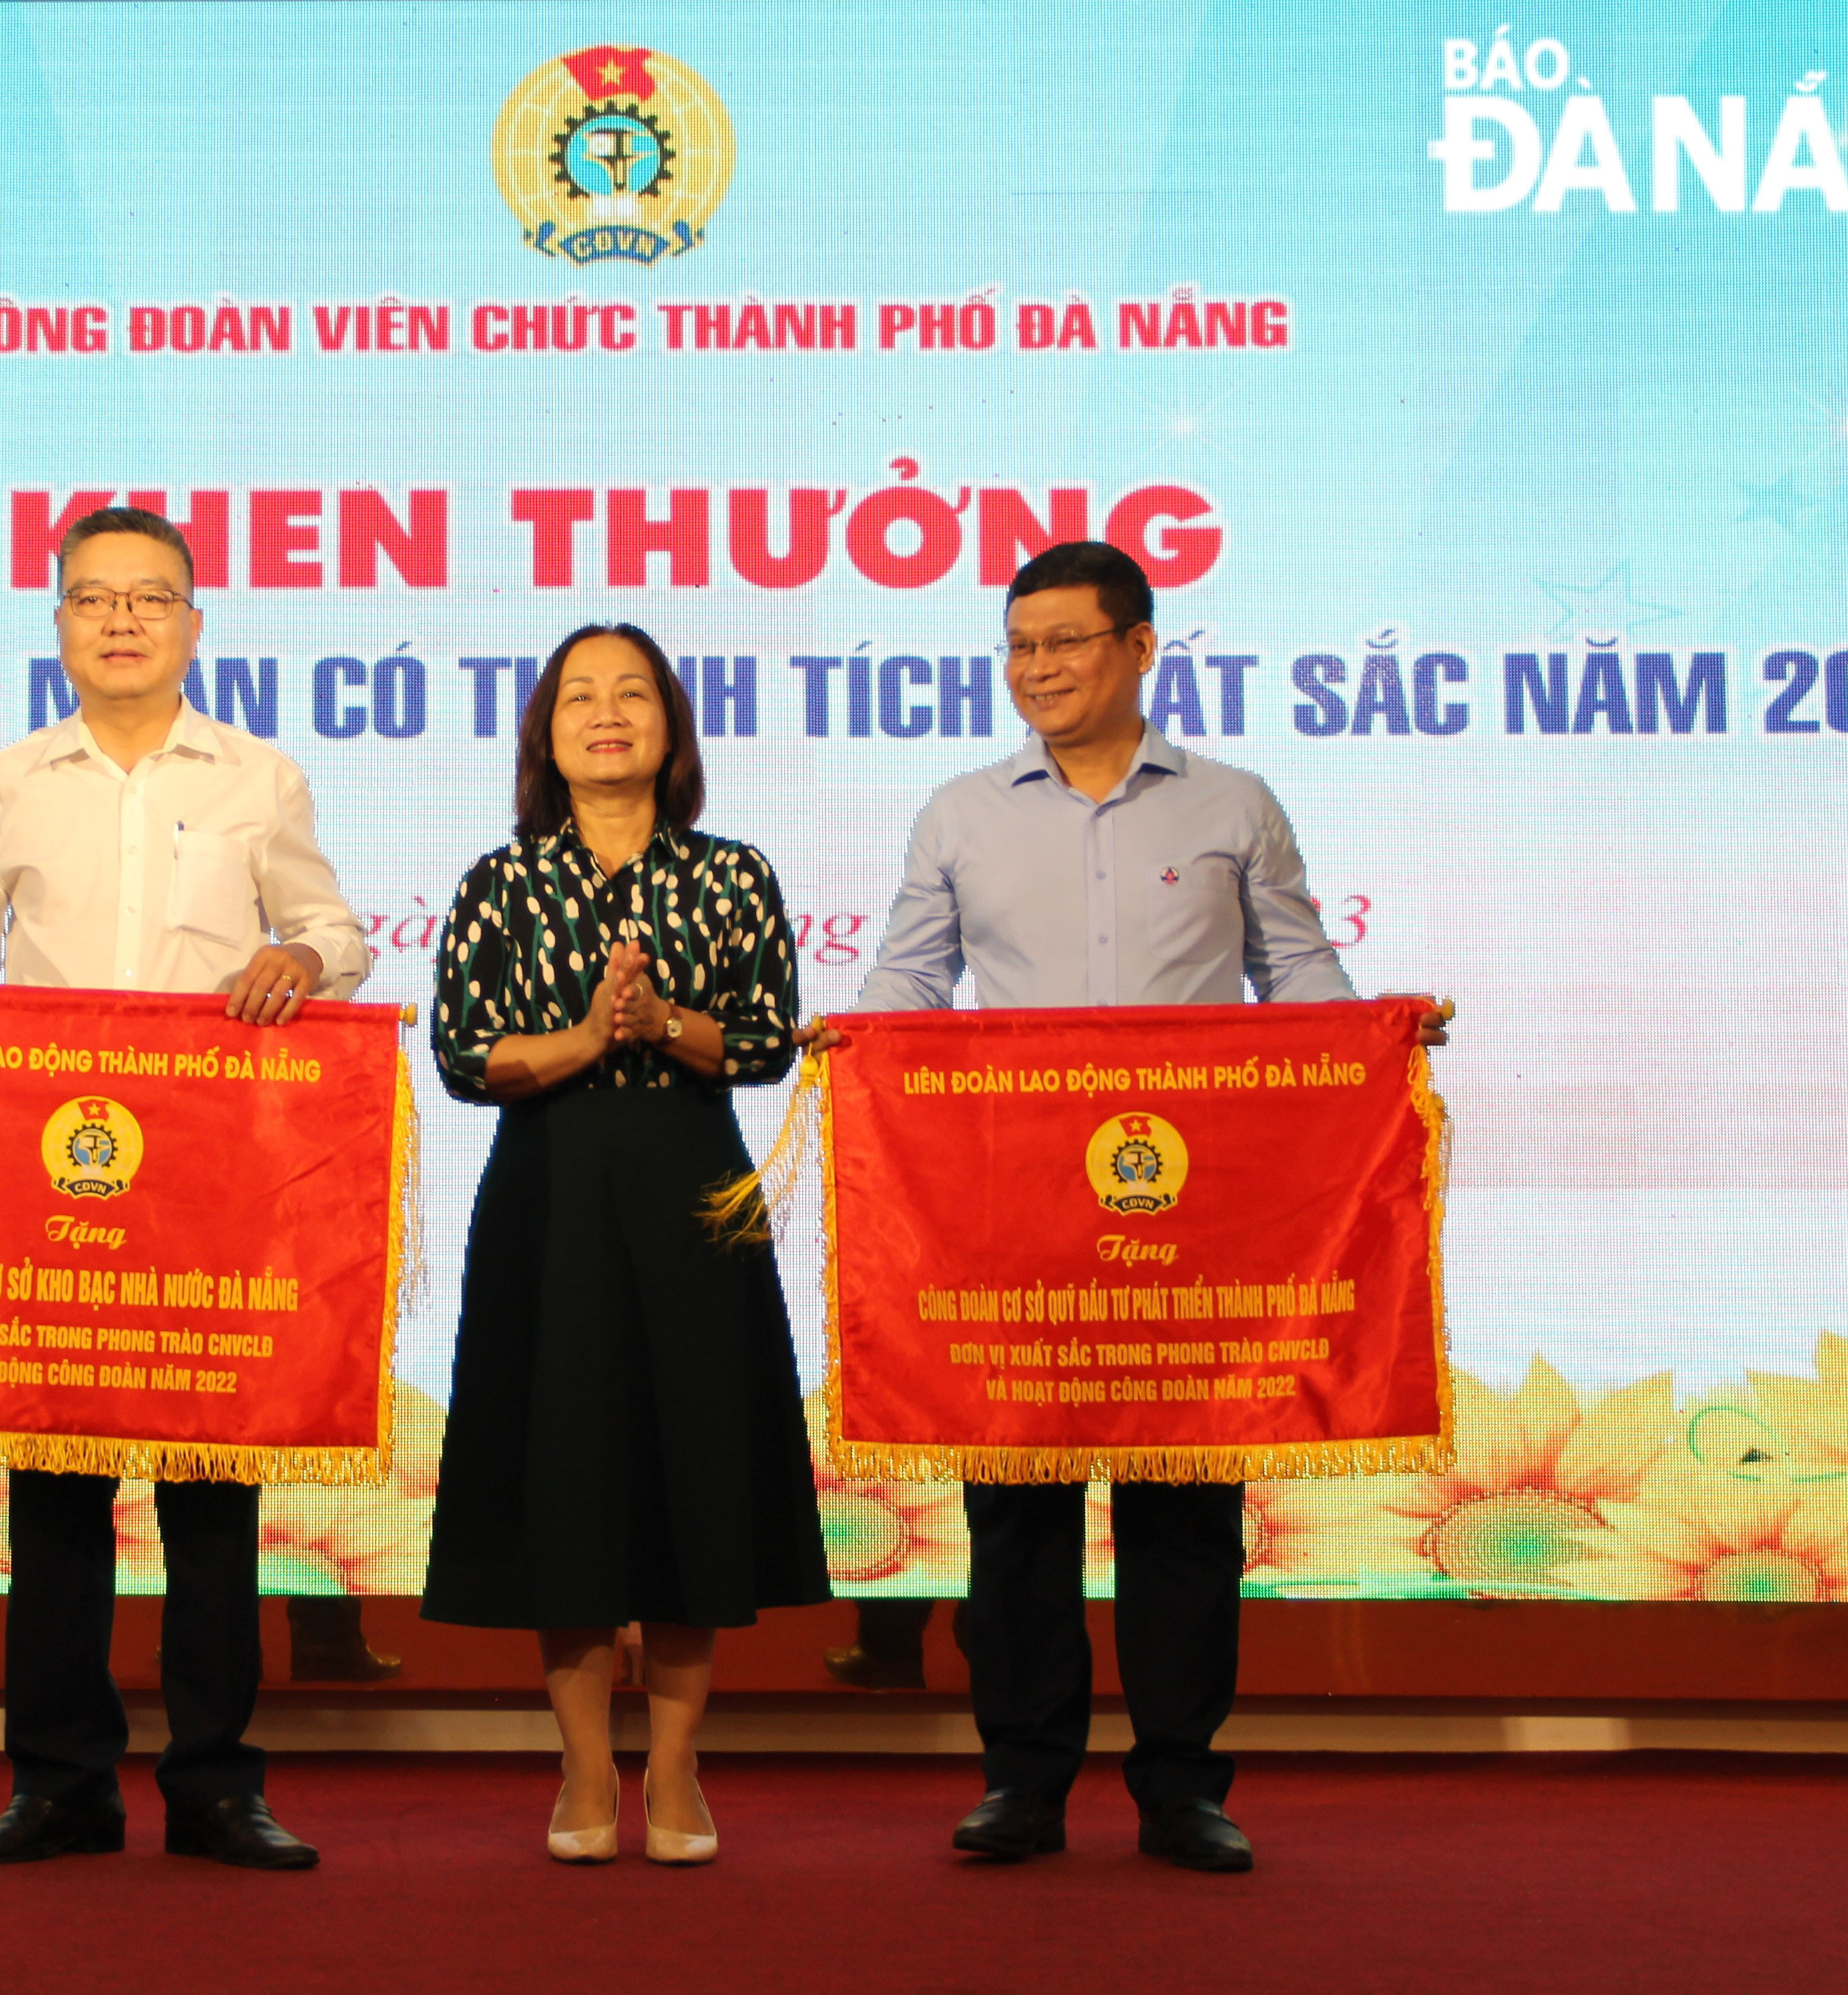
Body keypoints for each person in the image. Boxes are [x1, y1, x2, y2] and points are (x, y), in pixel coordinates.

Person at [818, 541, 1447, 1874]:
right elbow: (908, 984)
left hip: (1187, 1227)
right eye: (1020, 646)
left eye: (1067, 643)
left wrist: (1383, 1039)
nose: (1037, 670)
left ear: (1142, 647)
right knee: (1019, 1520)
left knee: (1182, 1519)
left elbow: (1300, 975)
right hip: (1017, 1226)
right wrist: (854, 1045)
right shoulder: (960, 813)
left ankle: (1181, 1786)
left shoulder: (1234, 803)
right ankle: (1024, 1781)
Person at [0, 505, 369, 1872]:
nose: (120, 620)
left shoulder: (258, 776)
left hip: (213, 1181)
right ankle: (61, 1784)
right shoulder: (10, 778)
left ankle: (216, 1784)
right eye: (92, 598)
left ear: (192, 623)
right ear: (59, 626)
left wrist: (307, 964)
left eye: (149, 597)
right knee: (54, 1494)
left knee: (211, 1500)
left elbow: (331, 927)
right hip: (61, 1187)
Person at [422, 622, 831, 1867]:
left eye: (633, 693)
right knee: (568, 1473)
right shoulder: (499, 882)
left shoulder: (732, 873)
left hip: (693, 1195)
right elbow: (460, 1056)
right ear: (545, 734)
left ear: (670, 726)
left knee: (689, 1471)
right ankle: (585, 1767)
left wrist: (665, 1022)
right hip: (547, 1200)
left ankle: (676, 1765)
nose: (607, 714)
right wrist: (593, 1038)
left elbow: (766, 1040)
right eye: (579, 697)